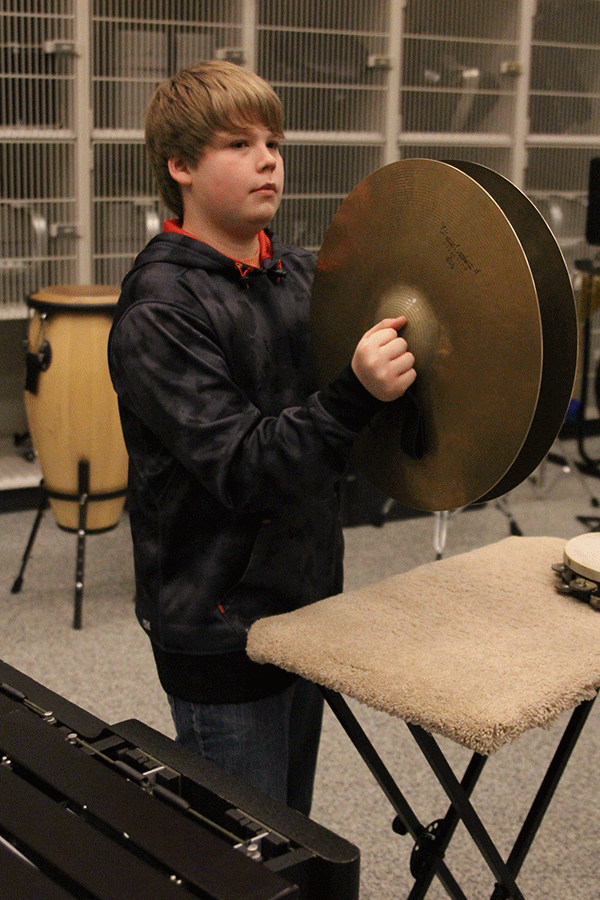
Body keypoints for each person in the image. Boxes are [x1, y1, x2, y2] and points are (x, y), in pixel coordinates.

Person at [107, 60, 416, 816]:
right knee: (246, 858)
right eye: (238, 144)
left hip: (307, 609)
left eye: (273, 141)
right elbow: (245, 465)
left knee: (295, 839)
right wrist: (354, 391)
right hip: (218, 629)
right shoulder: (160, 310)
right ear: (180, 166)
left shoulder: (303, 277)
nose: (268, 158)